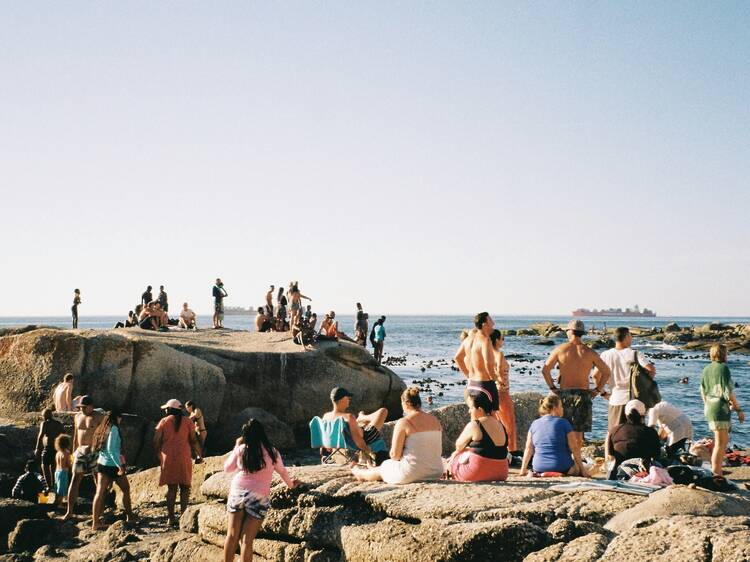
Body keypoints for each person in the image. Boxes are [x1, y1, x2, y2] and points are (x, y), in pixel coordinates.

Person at [223, 420, 300, 562]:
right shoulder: (272, 451)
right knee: (247, 540)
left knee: (232, 535)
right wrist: (290, 485)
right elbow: (282, 471)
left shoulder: (241, 449)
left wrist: (236, 446)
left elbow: (227, 468)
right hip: (258, 495)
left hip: (237, 491)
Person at [541, 319, 611, 469]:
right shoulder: (589, 352)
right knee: (578, 435)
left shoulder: (561, 349)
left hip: (564, 394)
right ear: (582, 333)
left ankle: (564, 462)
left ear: (570, 332)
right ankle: (577, 465)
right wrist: (597, 390)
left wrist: (553, 388)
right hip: (584, 394)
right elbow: (606, 372)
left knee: (562, 430)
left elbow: (545, 370)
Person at [352, 388, 443, 484]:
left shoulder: (404, 422)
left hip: (412, 473)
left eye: (402, 403)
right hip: (436, 471)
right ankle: (372, 469)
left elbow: (395, 455)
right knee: (387, 466)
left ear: (406, 403)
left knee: (385, 466)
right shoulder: (435, 420)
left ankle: (358, 473)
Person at [595, 327, 656, 433]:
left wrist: (604, 393)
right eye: (630, 336)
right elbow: (651, 370)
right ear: (626, 337)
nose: (631, 338)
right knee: (635, 432)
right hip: (633, 399)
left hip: (615, 398)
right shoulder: (634, 354)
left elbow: (595, 376)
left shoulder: (606, 354)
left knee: (614, 432)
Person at [154, 399, 203, 526]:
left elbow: (156, 441)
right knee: (185, 487)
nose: (165, 410)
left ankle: (170, 518)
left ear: (170, 409)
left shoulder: (163, 422)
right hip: (184, 456)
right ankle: (183, 516)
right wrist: (199, 454)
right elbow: (193, 440)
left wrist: (159, 455)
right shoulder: (188, 421)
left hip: (168, 457)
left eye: (166, 408)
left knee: (171, 488)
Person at [701, 344, 745, 476]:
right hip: (719, 408)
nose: (728, 355)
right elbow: (729, 392)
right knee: (721, 443)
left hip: (710, 406)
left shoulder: (706, 369)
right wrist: (738, 409)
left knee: (722, 441)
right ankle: (716, 472)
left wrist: (707, 405)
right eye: (727, 353)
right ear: (723, 354)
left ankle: (717, 470)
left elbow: (702, 390)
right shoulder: (724, 369)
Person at [519, 394, 587, 476]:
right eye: (561, 406)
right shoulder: (564, 423)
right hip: (562, 467)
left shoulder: (534, 424)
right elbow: (574, 448)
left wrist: (523, 470)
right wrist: (582, 471)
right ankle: (557, 473)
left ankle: (543, 473)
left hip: (539, 467)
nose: (563, 409)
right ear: (555, 408)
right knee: (578, 468)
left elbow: (528, 449)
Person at [449, 390, 509, 482]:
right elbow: (491, 448)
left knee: (456, 455)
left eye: (471, 408)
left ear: (480, 409)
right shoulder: (500, 424)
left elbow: (458, 445)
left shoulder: (475, 425)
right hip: (502, 472)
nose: (469, 411)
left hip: (479, 472)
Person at [92, 410, 136, 529]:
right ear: (117, 417)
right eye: (120, 418)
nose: (121, 421)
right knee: (125, 489)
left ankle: (95, 522)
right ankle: (130, 516)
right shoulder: (114, 429)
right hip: (112, 465)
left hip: (102, 463)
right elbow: (112, 449)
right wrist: (119, 465)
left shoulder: (102, 428)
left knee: (100, 492)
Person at [322, 387, 389, 465]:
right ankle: (362, 417)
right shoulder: (349, 417)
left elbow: (325, 437)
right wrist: (366, 450)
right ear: (342, 399)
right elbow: (358, 440)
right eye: (348, 398)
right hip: (366, 436)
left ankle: (361, 418)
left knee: (363, 424)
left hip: (341, 442)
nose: (349, 400)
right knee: (383, 411)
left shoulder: (326, 416)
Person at [64, 395, 105, 519]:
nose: (81, 409)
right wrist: (72, 453)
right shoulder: (77, 416)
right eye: (80, 407)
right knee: (75, 479)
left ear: (91, 406)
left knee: (98, 482)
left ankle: (99, 513)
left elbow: (106, 434)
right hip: (80, 451)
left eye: (84, 407)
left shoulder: (99, 416)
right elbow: (76, 435)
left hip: (95, 452)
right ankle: (69, 512)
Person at [454, 313, 499, 415]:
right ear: (484, 325)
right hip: (484, 385)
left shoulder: (468, 340)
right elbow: (488, 363)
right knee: (492, 419)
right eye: (491, 321)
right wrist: (495, 378)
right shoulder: (485, 340)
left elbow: (457, 358)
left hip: (472, 385)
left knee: (475, 419)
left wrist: (468, 375)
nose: (493, 323)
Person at [606, 399, 661, 478]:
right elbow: (656, 456)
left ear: (625, 414)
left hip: (619, 473)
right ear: (643, 414)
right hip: (643, 473)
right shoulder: (651, 432)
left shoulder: (614, 430)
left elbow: (610, 456)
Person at [490, 330, 517, 452]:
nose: (503, 341)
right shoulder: (499, 354)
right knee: (509, 424)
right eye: (502, 338)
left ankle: (500, 449)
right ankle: (512, 451)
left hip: (494, 391)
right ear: (496, 340)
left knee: (498, 423)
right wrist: (501, 381)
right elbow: (499, 373)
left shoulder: (488, 354)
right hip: (502, 391)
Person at [35, 408, 63, 490]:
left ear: (45, 416)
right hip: (56, 448)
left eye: (43, 416)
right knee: (54, 466)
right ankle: (54, 485)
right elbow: (63, 434)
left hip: (48, 448)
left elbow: (40, 436)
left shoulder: (45, 423)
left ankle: (48, 486)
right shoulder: (58, 424)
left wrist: (37, 448)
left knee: (44, 465)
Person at [54, 434, 72, 507]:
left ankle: (56, 501)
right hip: (63, 472)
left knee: (57, 487)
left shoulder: (58, 453)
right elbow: (68, 464)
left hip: (57, 472)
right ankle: (60, 504)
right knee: (62, 488)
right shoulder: (67, 453)